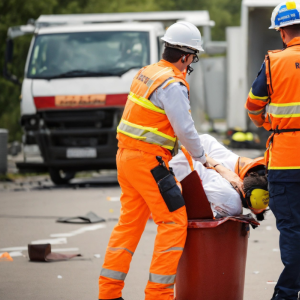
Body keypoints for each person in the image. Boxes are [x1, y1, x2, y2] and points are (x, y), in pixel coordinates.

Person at [98, 22, 206, 300]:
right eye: (193, 56)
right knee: (173, 222)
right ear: (185, 55)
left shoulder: (147, 73)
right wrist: (203, 158)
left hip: (126, 158)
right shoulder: (172, 83)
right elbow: (185, 130)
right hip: (149, 163)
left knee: (128, 226)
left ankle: (109, 293)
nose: (191, 62)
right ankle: (158, 295)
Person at [244, 2, 300, 299]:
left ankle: (285, 295)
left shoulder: (275, 62)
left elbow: (253, 105)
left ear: (282, 32)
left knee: (293, 230)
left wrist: (268, 122)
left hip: (288, 157)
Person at [170, 134, 269, 220]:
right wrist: (220, 168)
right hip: (165, 188)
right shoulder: (231, 199)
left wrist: (220, 168)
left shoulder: (208, 141)